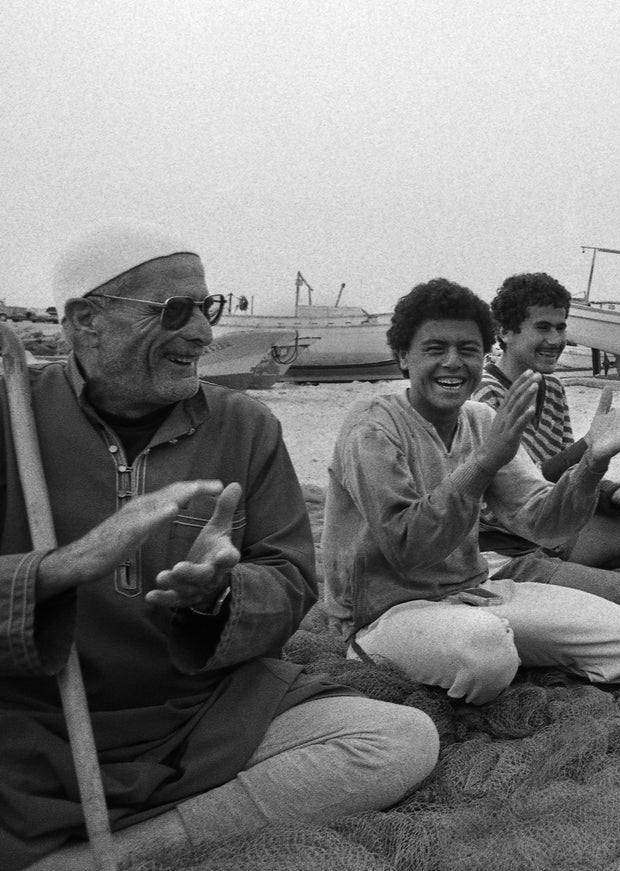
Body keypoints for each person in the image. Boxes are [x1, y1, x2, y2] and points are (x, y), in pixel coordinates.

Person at [1, 220, 438, 870]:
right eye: (175, 310)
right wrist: (64, 568)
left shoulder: (247, 425)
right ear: (86, 320)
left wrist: (218, 596)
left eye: (209, 307)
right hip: (28, 720)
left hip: (201, 715)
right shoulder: (12, 413)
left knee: (396, 738)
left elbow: (291, 580)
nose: (204, 333)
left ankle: (116, 854)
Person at [318, 278, 620, 705]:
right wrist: (483, 462)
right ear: (404, 357)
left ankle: (480, 653)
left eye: (467, 350)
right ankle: (381, 652)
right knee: (487, 652)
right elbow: (406, 547)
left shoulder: (481, 418)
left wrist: (592, 463)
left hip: (474, 596)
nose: (453, 362)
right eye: (435, 349)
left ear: (483, 355)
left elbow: (544, 525)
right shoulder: (372, 426)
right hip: (384, 613)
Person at [472, 273, 620, 606]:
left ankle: (567, 582)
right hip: (499, 548)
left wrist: (616, 492)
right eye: (543, 328)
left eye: (561, 327)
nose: (555, 340)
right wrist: (589, 447)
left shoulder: (552, 388)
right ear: (505, 331)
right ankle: (557, 586)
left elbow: (564, 480)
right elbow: (521, 488)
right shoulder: (484, 396)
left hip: (546, 533)